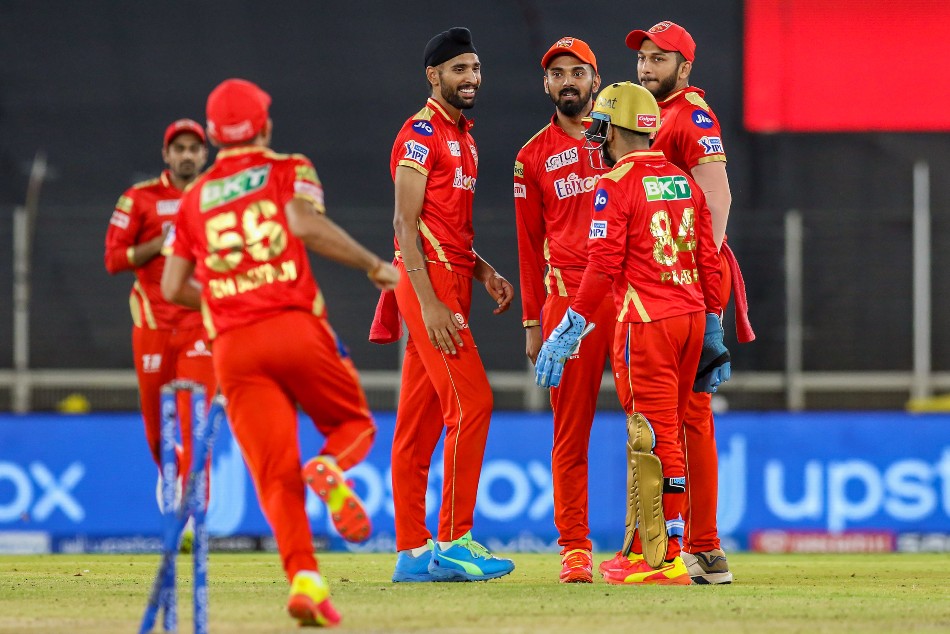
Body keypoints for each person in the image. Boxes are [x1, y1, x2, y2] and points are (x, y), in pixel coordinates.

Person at [161, 78, 399, 627]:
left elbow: (172, 285)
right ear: (265, 126)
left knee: (274, 474)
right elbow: (303, 223)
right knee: (353, 424)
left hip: (233, 348)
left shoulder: (193, 198)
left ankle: (306, 581)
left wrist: (226, 296)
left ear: (214, 136)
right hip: (293, 328)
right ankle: (330, 466)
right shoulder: (288, 167)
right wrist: (371, 264)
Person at [535, 81, 730, 585]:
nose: (596, 138)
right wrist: (713, 323)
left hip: (646, 323)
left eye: (600, 128)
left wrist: (570, 326)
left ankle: (663, 559)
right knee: (671, 433)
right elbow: (708, 258)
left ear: (612, 130)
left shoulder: (615, 184)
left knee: (653, 437)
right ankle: (662, 549)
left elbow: (601, 267)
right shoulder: (682, 181)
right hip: (690, 318)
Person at [374, 26, 516, 583]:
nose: (471, 78)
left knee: (417, 426)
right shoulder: (420, 133)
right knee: (473, 403)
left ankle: (412, 553)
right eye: (459, 69)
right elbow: (404, 226)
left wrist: (484, 271)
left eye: (475, 68)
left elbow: (448, 229)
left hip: (453, 281)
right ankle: (456, 541)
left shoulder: (466, 139)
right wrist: (430, 304)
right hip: (427, 284)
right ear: (433, 76)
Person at [620, 20, 756, 584]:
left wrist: (703, 293)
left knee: (687, 419)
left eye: (659, 59)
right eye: (643, 58)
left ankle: (698, 546)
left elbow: (717, 199)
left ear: (685, 66)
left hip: (680, 288)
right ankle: (686, 547)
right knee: (674, 419)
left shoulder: (691, 115)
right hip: (665, 286)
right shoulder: (651, 115)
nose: (646, 68)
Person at [513, 36, 624, 583]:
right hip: (567, 304)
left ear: (596, 80)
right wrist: (534, 321)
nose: (568, 81)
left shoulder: (624, 139)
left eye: (578, 71)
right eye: (558, 73)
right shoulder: (531, 156)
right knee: (569, 431)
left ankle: (651, 541)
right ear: (546, 84)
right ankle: (575, 547)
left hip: (628, 297)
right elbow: (527, 245)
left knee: (648, 424)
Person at [104, 119, 216, 516]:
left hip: (200, 325)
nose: (187, 155)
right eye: (179, 148)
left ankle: (192, 513)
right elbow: (114, 259)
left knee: (195, 425)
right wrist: (160, 243)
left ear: (204, 154)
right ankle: (172, 475)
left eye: (194, 148)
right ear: (166, 154)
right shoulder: (139, 198)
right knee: (157, 432)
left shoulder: (217, 195)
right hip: (152, 327)